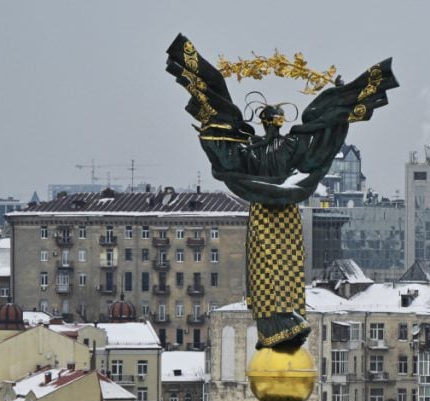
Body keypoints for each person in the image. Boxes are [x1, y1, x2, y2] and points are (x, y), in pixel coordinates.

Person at [166, 33, 397, 348]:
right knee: (280, 268)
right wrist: (339, 104)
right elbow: (321, 142)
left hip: (265, 213)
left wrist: (215, 125)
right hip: (284, 213)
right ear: (276, 120)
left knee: (271, 269)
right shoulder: (290, 145)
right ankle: (278, 324)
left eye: (270, 121)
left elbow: (229, 157)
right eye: (272, 121)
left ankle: (277, 324)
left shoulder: (257, 149)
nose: (272, 125)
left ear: (265, 122)